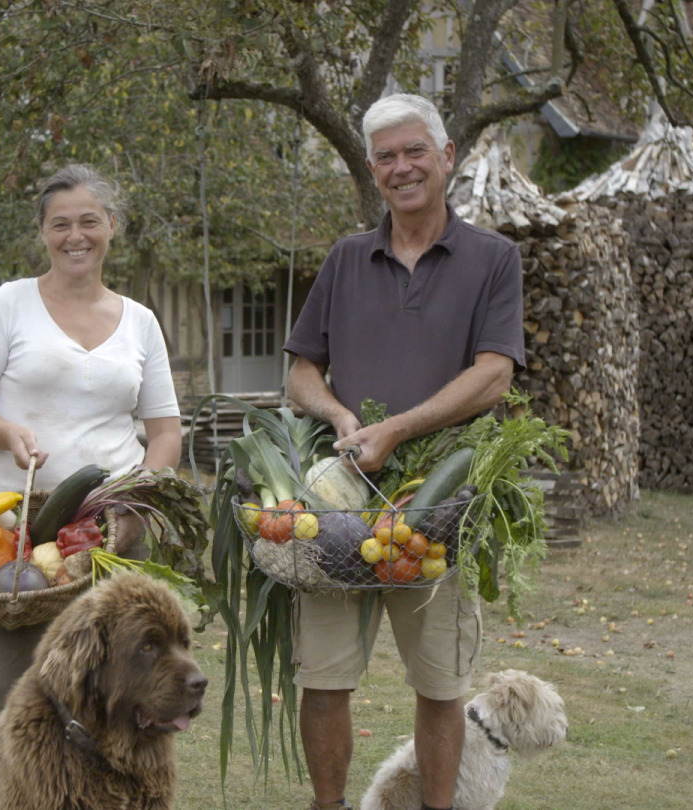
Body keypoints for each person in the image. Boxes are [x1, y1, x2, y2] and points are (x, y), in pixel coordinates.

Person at [282, 94, 526, 810]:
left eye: (415, 150)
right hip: (342, 510)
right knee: (323, 679)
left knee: (440, 684)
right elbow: (300, 369)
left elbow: (494, 373)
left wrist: (399, 430)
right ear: (371, 169)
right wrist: (335, 411)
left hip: (437, 504)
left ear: (447, 156)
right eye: (386, 156)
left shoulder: (492, 259)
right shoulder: (347, 258)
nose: (402, 167)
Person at [0, 163, 183, 762]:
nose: (75, 236)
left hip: (111, 535)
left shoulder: (141, 322)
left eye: (88, 222)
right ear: (43, 233)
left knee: (124, 696)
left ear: (111, 227)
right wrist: (5, 431)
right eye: (60, 225)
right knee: (3, 692)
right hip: (18, 534)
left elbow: (164, 432)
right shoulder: (10, 304)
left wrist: (137, 502)